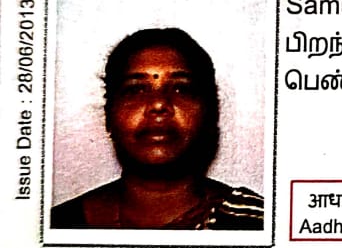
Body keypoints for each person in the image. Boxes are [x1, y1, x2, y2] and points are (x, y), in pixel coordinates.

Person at [50, 27, 265, 230]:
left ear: (210, 113)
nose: (158, 104)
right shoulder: (55, 226)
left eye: (180, 89)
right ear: (109, 116)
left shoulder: (255, 223)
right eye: (136, 90)